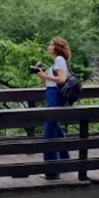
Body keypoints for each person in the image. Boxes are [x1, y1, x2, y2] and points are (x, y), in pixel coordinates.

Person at [35, 37, 71, 180]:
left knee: (50, 129)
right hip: (52, 94)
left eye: (51, 44)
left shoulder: (59, 60)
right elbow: (49, 81)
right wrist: (41, 74)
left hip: (55, 95)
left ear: (57, 47)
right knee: (56, 127)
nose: (49, 46)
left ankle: (52, 169)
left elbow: (61, 79)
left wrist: (45, 76)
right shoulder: (57, 62)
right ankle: (65, 160)